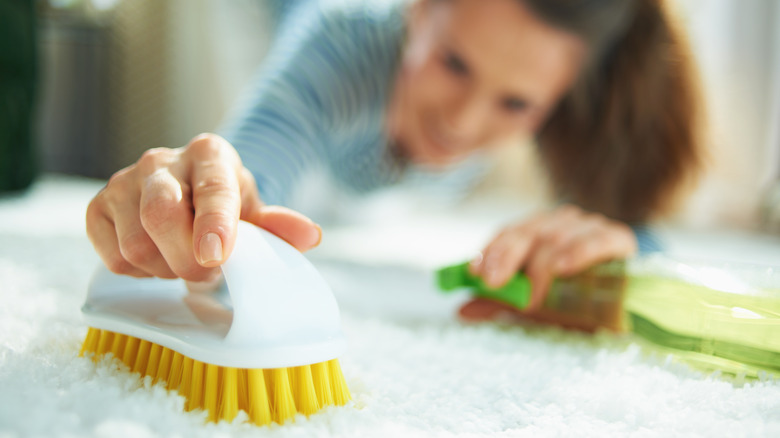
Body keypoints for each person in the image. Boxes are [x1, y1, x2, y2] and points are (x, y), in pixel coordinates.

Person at [86, 0, 702, 322]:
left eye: (515, 103)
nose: (461, 123)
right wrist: (198, 203)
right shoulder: (341, 49)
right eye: (454, 63)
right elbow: (250, 174)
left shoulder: (564, 85)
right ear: (417, 9)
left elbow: (641, 237)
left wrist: (609, 243)